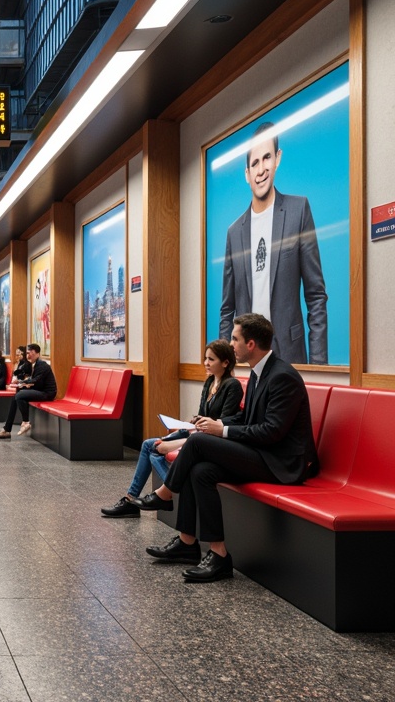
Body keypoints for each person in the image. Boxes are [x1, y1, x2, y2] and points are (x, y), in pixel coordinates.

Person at [141, 313, 319, 582]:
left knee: (199, 442)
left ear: (250, 344)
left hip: (281, 462)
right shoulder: (261, 373)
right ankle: (211, 552)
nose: (231, 343)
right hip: (264, 453)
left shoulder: (283, 377)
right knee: (201, 471)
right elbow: (248, 419)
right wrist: (218, 422)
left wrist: (221, 430)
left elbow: (272, 431)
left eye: (235, 339)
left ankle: (166, 494)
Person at [219, 120, 328, 365]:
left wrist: (320, 367)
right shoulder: (234, 233)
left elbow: (316, 296)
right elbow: (227, 310)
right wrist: (225, 367)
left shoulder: (298, 211)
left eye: (266, 158)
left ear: (277, 158)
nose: (261, 170)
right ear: (247, 173)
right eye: (254, 163)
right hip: (248, 361)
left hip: (290, 357)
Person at [101, 340, 242, 517]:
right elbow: (201, 414)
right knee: (148, 445)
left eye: (211, 359)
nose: (206, 363)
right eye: (205, 358)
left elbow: (219, 423)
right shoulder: (209, 382)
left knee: (155, 451)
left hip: (209, 438)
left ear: (225, 363)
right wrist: (188, 425)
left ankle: (174, 492)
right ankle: (132, 499)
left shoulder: (232, 385)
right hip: (196, 431)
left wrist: (183, 436)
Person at [0, 344, 55, 439]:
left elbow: (36, 380)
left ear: (35, 352)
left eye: (29, 353)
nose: (28, 355)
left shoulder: (42, 365)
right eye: (27, 353)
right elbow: (27, 377)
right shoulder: (32, 364)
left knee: (19, 395)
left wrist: (22, 382)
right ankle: (7, 429)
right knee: (16, 396)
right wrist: (23, 381)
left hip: (47, 393)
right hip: (39, 390)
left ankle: (25, 422)